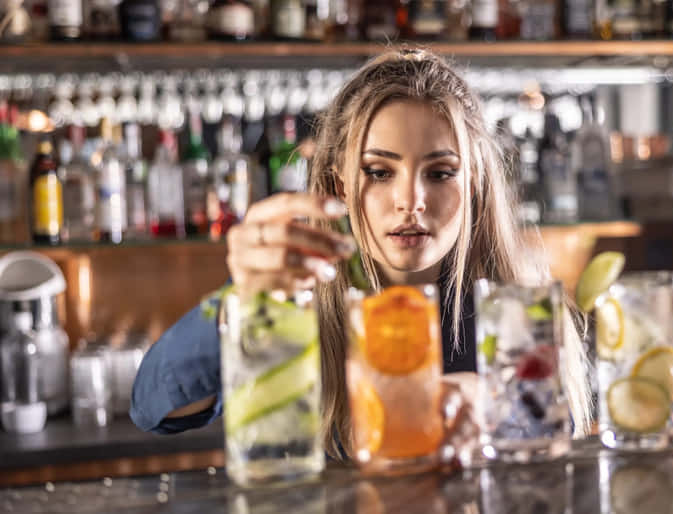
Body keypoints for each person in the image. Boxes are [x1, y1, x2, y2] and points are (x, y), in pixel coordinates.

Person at [130, 48, 592, 460]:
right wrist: (244, 302)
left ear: (473, 185)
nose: (410, 200)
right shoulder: (294, 311)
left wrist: (493, 405)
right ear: (339, 187)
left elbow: (553, 446)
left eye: (440, 173)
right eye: (379, 171)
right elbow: (154, 405)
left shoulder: (518, 311)